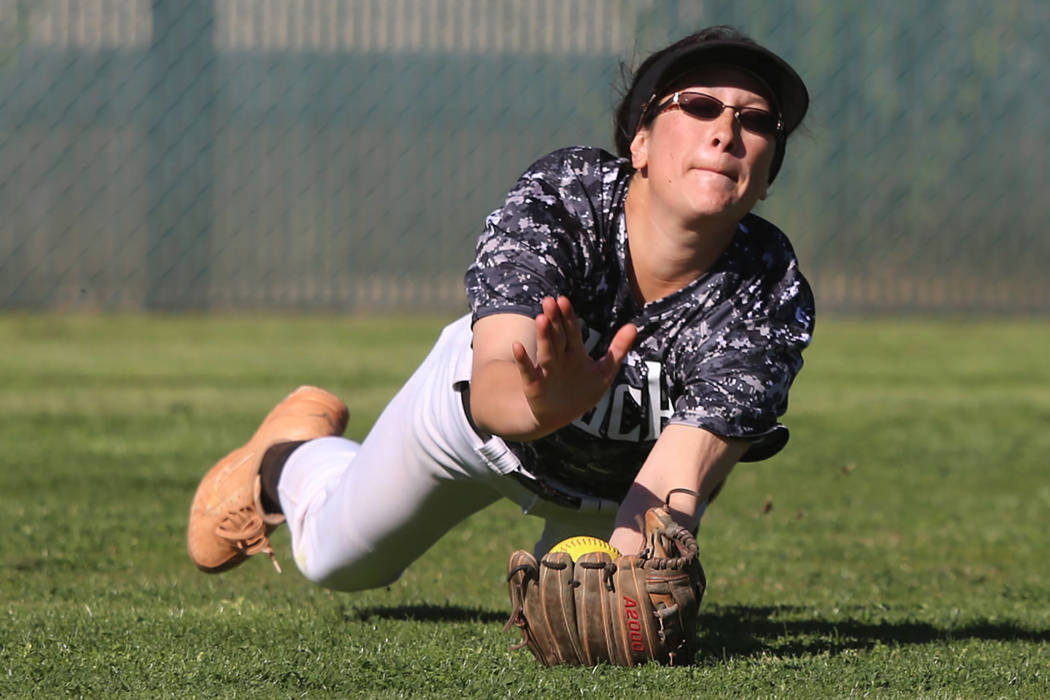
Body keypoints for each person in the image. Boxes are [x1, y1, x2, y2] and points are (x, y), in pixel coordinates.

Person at [187, 26, 815, 593]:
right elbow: (492, 386)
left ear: (765, 179)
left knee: (599, 615)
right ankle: (287, 459)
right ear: (641, 143)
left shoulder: (766, 287)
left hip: (606, 495)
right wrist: (540, 404)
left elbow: (680, 479)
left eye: (755, 121)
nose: (726, 130)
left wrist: (627, 585)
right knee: (340, 564)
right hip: (475, 428)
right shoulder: (568, 200)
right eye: (700, 106)